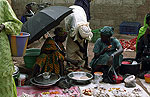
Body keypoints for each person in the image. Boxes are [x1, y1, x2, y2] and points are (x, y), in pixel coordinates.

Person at [0, 0, 23, 96]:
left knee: (4, 79)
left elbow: (17, 24)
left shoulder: (2, 3)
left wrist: (4, 26)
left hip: (1, 51)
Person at [65, 0, 93, 71]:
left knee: (84, 51)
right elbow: (73, 37)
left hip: (81, 11)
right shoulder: (73, 28)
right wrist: (80, 46)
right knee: (71, 49)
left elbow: (86, 40)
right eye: (80, 37)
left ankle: (85, 64)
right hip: (71, 14)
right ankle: (71, 64)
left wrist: (83, 49)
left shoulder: (86, 29)